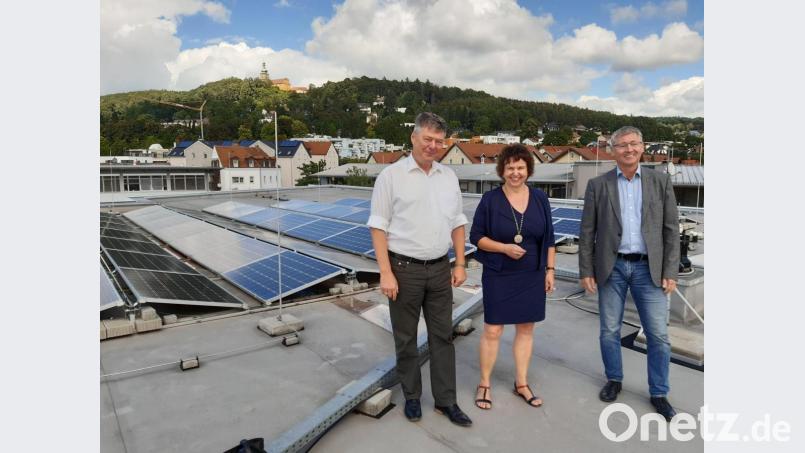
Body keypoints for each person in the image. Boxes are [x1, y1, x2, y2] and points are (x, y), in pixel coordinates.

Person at [368, 112, 473, 427]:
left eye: (439, 141)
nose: (433, 146)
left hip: (441, 270)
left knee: (443, 336)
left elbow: (457, 222)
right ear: (413, 138)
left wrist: (461, 262)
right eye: (428, 139)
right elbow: (378, 227)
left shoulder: (448, 177)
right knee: (406, 338)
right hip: (403, 270)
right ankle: (412, 397)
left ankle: (446, 401)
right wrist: (386, 273)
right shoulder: (391, 176)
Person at [578, 125, 680, 421]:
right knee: (609, 330)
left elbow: (671, 230)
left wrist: (670, 269)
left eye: (634, 143)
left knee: (659, 336)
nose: (629, 149)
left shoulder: (660, 182)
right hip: (612, 267)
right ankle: (614, 380)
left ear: (642, 146)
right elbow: (587, 232)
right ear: (613, 150)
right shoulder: (598, 185)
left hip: (650, 268)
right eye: (622, 145)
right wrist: (587, 269)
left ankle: (659, 392)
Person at [469, 144, 556, 410]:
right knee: (493, 329)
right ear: (502, 171)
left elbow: (549, 238)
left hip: (531, 273)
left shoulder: (540, 198)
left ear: (528, 170)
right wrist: (504, 247)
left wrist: (549, 270)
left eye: (520, 167)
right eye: (510, 168)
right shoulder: (490, 200)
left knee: (526, 328)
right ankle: (484, 383)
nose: (515, 173)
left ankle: (521, 383)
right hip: (499, 273)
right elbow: (477, 238)